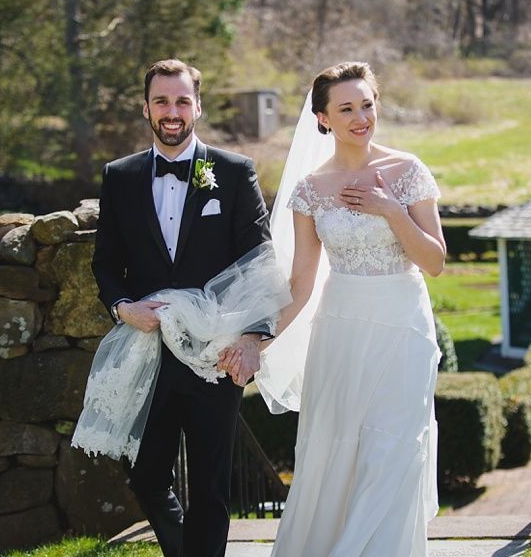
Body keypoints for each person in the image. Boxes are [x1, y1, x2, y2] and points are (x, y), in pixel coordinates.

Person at [226, 61, 446, 555]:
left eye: (366, 104)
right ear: (323, 118)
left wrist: (390, 209)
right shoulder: (310, 189)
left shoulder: (407, 171)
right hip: (341, 330)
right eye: (345, 108)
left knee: (395, 448)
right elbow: (301, 284)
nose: (360, 116)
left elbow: (435, 261)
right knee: (336, 453)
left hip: (403, 326)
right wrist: (258, 340)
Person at [89, 58, 272, 557]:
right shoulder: (120, 176)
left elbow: (260, 262)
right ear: (146, 107)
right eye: (163, 101)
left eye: (182, 100)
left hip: (215, 352)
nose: (173, 111)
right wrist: (123, 307)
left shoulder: (234, 173)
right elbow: (105, 263)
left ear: (198, 106)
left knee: (211, 487)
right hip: (145, 349)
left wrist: (253, 338)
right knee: (146, 472)